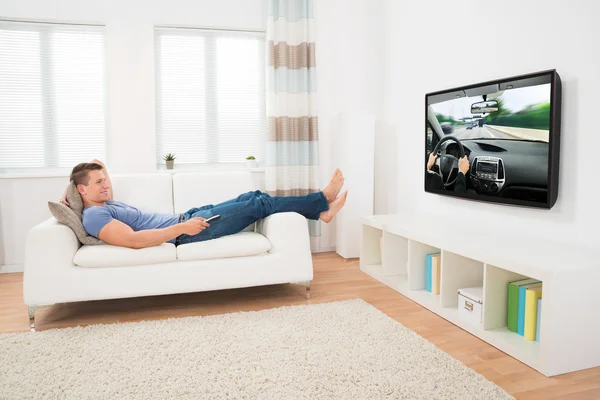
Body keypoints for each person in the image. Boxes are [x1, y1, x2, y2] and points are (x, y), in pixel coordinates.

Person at [62, 160, 348, 249]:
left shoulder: (102, 200)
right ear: (82, 189)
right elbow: (134, 241)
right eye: (98, 182)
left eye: (104, 180)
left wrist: (84, 185)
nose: (106, 184)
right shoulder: (95, 217)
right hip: (187, 231)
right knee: (259, 203)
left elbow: (98, 166)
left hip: (187, 218)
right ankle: (322, 202)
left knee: (253, 196)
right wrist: (184, 227)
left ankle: (321, 211)